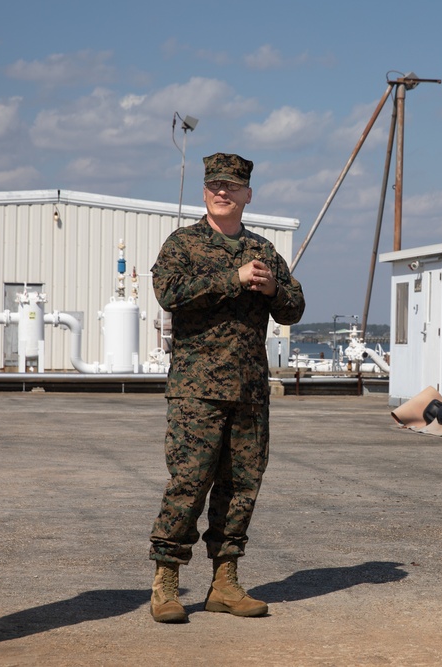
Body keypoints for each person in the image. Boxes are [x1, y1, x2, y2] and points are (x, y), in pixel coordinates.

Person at [148, 152, 305, 623]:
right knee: (189, 484)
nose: (223, 192)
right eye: (215, 185)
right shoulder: (184, 244)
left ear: (247, 195)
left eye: (232, 186)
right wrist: (232, 279)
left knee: (240, 488)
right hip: (197, 389)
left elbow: (294, 307)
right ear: (204, 192)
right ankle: (166, 582)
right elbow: (168, 292)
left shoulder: (263, 250)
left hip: (250, 391)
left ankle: (225, 581)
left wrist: (274, 289)